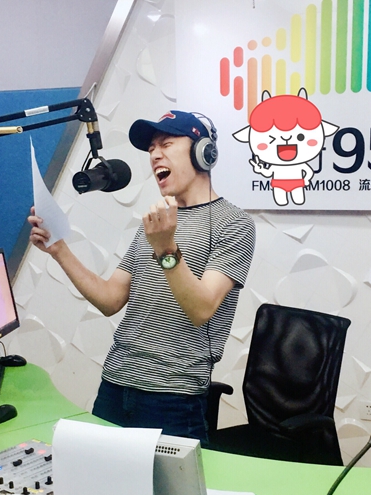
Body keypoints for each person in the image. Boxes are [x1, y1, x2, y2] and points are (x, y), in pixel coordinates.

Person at [29, 110, 255, 443]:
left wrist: (165, 250)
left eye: (167, 144)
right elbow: (110, 300)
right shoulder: (154, 225)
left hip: (174, 399)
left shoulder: (233, 224)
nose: (155, 155)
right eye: (151, 148)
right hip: (115, 385)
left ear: (203, 152)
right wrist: (59, 250)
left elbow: (202, 309)